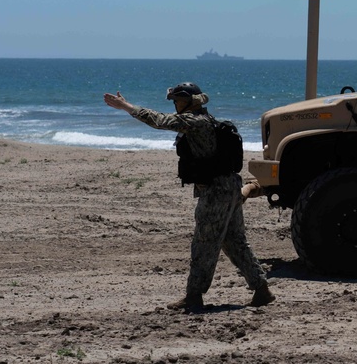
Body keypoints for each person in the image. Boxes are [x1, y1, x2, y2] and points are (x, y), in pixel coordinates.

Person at [103, 82, 274, 311]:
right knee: (234, 241)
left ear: (189, 102)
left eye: (178, 101)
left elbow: (158, 121)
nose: (175, 105)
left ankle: (194, 296)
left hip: (215, 191)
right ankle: (261, 288)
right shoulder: (206, 120)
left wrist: (126, 106)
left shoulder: (195, 122)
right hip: (228, 187)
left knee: (204, 244)